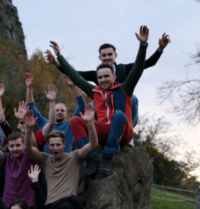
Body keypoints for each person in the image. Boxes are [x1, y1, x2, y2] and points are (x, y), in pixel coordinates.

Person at [51, 26, 150, 175]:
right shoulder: (95, 92)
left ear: (113, 77)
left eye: (106, 76)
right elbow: (76, 77)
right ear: (97, 79)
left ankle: (107, 158)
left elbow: (137, 70)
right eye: (100, 77)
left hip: (123, 133)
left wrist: (143, 45)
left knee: (119, 115)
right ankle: (92, 159)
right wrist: (59, 57)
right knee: (75, 121)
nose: (103, 80)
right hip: (103, 131)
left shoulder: (124, 89)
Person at [24, 104, 97, 209]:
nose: (55, 148)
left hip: (67, 203)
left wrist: (90, 123)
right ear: (48, 146)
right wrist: (29, 130)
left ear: (64, 144)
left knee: (64, 208)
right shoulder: (45, 159)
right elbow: (28, 148)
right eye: (52, 145)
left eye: (58, 144)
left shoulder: (75, 157)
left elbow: (93, 144)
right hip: (49, 207)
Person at [45, 33, 171, 85]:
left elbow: (149, 63)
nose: (107, 58)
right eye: (104, 55)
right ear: (100, 58)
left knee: (134, 100)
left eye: (109, 54)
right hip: (104, 107)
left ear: (115, 56)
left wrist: (160, 48)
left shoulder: (125, 69)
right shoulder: (97, 75)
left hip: (123, 106)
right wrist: (56, 62)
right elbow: (75, 74)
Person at [0, 106, 36, 208]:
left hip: (28, 204)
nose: (15, 148)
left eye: (18, 145)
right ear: (8, 147)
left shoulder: (29, 156)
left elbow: (33, 144)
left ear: (24, 145)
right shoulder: (6, 158)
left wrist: (23, 121)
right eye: (12, 146)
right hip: (9, 204)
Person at [24, 74, 86, 153]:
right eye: (57, 110)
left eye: (62, 110)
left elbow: (82, 106)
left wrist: (73, 86)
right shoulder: (44, 123)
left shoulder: (70, 124)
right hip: (47, 163)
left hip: (65, 163)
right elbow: (30, 107)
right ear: (51, 112)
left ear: (66, 114)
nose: (59, 112)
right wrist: (29, 88)